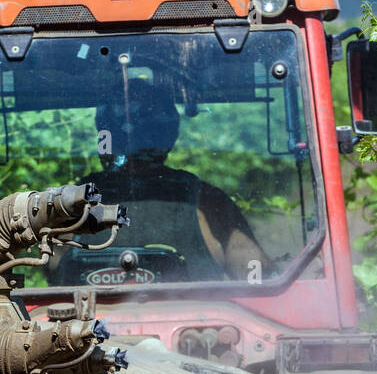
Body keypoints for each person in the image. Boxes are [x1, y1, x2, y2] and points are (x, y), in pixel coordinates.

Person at [74, 81, 265, 283]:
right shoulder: (205, 202)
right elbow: (259, 278)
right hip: (195, 314)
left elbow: (48, 265)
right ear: (169, 138)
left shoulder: (73, 202)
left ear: (105, 139)